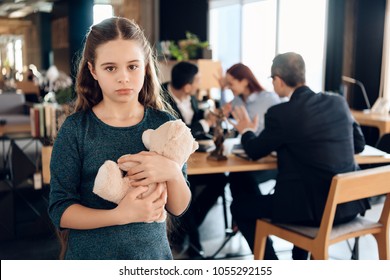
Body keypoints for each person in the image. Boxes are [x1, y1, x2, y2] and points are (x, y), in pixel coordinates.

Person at [48, 17, 191, 260]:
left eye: (133, 66)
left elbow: (178, 207)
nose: (123, 77)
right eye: (110, 68)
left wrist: (173, 172)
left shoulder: (166, 124)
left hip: (152, 258)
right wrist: (121, 215)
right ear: (93, 70)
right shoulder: (75, 129)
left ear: (146, 66)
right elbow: (60, 211)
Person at [230, 52, 370, 259]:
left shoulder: (281, 113)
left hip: (311, 213)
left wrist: (246, 131)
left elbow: (254, 151)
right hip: (348, 206)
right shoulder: (338, 102)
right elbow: (359, 144)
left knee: (240, 206)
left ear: (277, 80)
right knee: (304, 189)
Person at [162, 61, 228, 258]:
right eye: (197, 81)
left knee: (220, 179)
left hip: (195, 160)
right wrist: (204, 123)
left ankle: (184, 231)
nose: (199, 84)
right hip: (173, 165)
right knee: (185, 186)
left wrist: (206, 117)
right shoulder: (162, 99)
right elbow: (178, 131)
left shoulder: (190, 98)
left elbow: (194, 119)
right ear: (188, 86)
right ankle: (196, 245)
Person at [220, 63, 281, 200]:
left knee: (241, 177)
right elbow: (222, 114)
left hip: (268, 158)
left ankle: (251, 216)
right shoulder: (236, 101)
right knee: (236, 175)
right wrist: (221, 90)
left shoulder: (268, 99)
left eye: (231, 83)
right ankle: (245, 218)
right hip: (247, 153)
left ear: (245, 81)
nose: (229, 87)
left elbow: (280, 129)